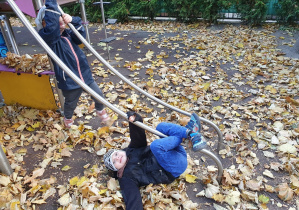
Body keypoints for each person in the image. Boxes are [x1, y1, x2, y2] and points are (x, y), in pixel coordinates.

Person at [103, 111, 207, 210]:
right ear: (116, 169)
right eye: (114, 162)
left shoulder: (130, 151)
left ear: (120, 151)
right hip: (172, 168)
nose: (117, 157)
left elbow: (137, 136)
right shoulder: (126, 177)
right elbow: (132, 198)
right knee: (156, 146)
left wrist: (134, 118)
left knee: (160, 127)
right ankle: (189, 134)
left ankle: (190, 133)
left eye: (115, 154)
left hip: (174, 152)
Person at [35, 0, 110, 128]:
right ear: (44, 24)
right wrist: (51, 3)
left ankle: (100, 110)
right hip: (69, 79)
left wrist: (72, 20)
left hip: (85, 76)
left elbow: (81, 36)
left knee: (99, 95)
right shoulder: (49, 40)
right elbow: (52, 28)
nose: (61, 23)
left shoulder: (69, 34)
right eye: (56, 20)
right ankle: (68, 119)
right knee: (70, 103)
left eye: (62, 20)